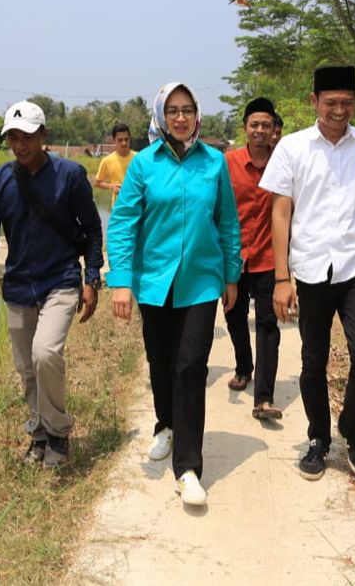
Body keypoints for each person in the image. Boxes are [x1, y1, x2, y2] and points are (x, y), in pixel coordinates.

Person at [259, 65, 355, 482]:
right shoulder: (292, 148)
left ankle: (352, 427)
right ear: (314, 102)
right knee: (312, 360)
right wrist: (282, 278)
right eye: (330, 103)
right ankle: (319, 439)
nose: (339, 110)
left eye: (346, 102)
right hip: (309, 268)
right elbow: (281, 212)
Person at [106, 82, 241, 507]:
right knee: (161, 361)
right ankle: (164, 423)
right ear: (161, 116)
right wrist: (122, 281)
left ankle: (188, 468)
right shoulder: (144, 165)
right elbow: (124, 224)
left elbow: (227, 224)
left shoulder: (214, 163)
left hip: (201, 281)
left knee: (190, 367)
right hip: (154, 282)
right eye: (173, 110)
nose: (180, 118)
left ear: (197, 114)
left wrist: (231, 275)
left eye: (187, 110)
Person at [0, 100, 103, 470]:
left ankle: (59, 432)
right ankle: (39, 435)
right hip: (19, 285)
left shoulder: (70, 175)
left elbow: (92, 229)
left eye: (26, 136)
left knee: (45, 353)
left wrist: (92, 278)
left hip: (60, 280)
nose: (19, 144)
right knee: (26, 367)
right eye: (12, 136)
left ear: (43, 135)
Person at [223, 97, 282, 422]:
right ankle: (244, 366)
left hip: (270, 258)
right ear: (245, 128)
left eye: (266, 125)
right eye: (254, 124)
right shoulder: (228, 163)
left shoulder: (284, 162)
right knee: (234, 317)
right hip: (233, 258)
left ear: (274, 129)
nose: (260, 130)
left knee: (268, 323)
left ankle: (264, 397)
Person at [94, 122, 135, 207]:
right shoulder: (107, 160)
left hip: (137, 207)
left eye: (126, 139)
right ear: (114, 140)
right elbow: (97, 182)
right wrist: (111, 186)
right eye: (120, 140)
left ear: (130, 139)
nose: (124, 143)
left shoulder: (139, 158)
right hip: (118, 207)